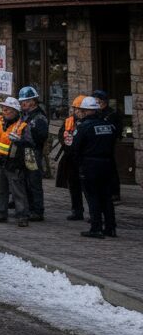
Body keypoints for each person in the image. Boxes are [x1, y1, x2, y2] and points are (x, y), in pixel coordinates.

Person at [71, 96, 117, 238]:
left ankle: (95, 227)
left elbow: (75, 148)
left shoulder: (83, 127)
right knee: (106, 197)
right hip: (108, 164)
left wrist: (77, 163)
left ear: (85, 111)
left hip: (90, 165)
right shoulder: (109, 126)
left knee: (93, 197)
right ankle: (110, 228)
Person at [0, 97, 30, 226]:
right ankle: (0, 213)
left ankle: (22, 216)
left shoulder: (22, 126)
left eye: (8, 109)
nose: (4, 111)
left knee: (18, 191)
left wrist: (20, 141)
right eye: (4, 108)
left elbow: (30, 143)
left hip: (13, 163)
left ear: (16, 111)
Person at [17, 86, 49, 221]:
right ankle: (30, 208)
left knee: (34, 182)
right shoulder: (25, 116)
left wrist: (25, 140)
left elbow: (41, 137)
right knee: (25, 181)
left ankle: (37, 210)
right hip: (25, 151)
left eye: (24, 101)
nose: (22, 103)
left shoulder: (39, 117)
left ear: (32, 101)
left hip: (32, 152)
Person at [57, 96, 87, 221]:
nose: (77, 112)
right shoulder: (69, 121)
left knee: (87, 188)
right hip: (70, 158)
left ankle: (94, 213)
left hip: (84, 158)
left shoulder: (89, 122)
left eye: (79, 109)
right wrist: (66, 144)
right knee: (74, 187)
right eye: (76, 109)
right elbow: (61, 135)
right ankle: (77, 211)